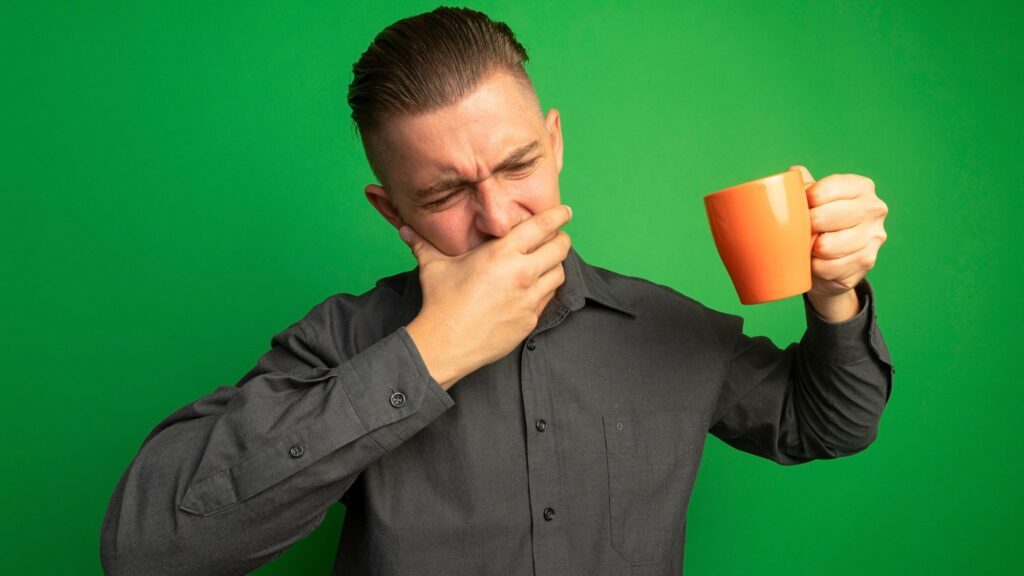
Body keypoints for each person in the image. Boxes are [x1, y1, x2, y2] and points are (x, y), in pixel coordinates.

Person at [100, 6, 893, 575]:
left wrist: (833, 295)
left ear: (554, 143)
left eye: (518, 167)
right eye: (445, 195)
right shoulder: (346, 340)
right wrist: (431, 351)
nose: (497, 216)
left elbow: (825, 424)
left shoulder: (667, 325)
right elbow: (148, 551)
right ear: (391, 209)